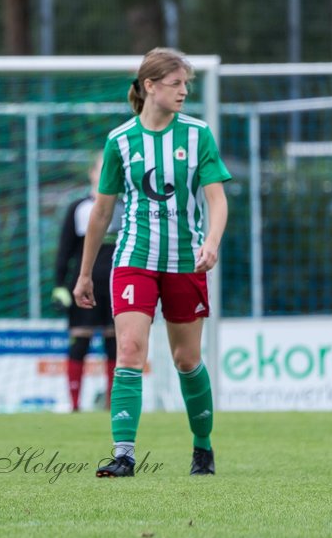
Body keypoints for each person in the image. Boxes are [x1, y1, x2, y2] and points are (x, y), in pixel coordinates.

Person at [73, 47, 230, 477]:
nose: (184, 92)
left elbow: (217, 201)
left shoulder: (198, 135)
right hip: (134, 258)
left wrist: (211, 242)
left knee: (185, 360)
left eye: (187, 85)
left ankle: (202, 447)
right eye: (176, 83)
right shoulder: (120, 141)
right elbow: (102, 213)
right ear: (150, 86)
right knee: (129, 350)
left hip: (185, 261)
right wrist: (85, 273)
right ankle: (124, 454)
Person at [52, 153, 121, 412]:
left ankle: (114, 406)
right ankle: (74, 406)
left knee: (115, 345)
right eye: (101, 170)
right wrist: (60, 287)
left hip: (116, 285)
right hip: (84, 284)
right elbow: (65, 251)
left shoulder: (126, 207)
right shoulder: (78, 208)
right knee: (80, 342)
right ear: (92, 174)